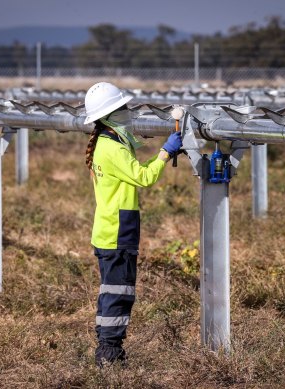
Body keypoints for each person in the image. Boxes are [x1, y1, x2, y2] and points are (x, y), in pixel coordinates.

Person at [84, 82, 182, 367]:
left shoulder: (107, 141)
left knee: (111, 290)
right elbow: (144, 177)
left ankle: (107, 347)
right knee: (119, 292)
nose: (128, 112)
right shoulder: (111, 148)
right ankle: (109, 354)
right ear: (110, 114)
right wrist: (165, 152)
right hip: (118, 231)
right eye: (122, 108)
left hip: (109, 229)